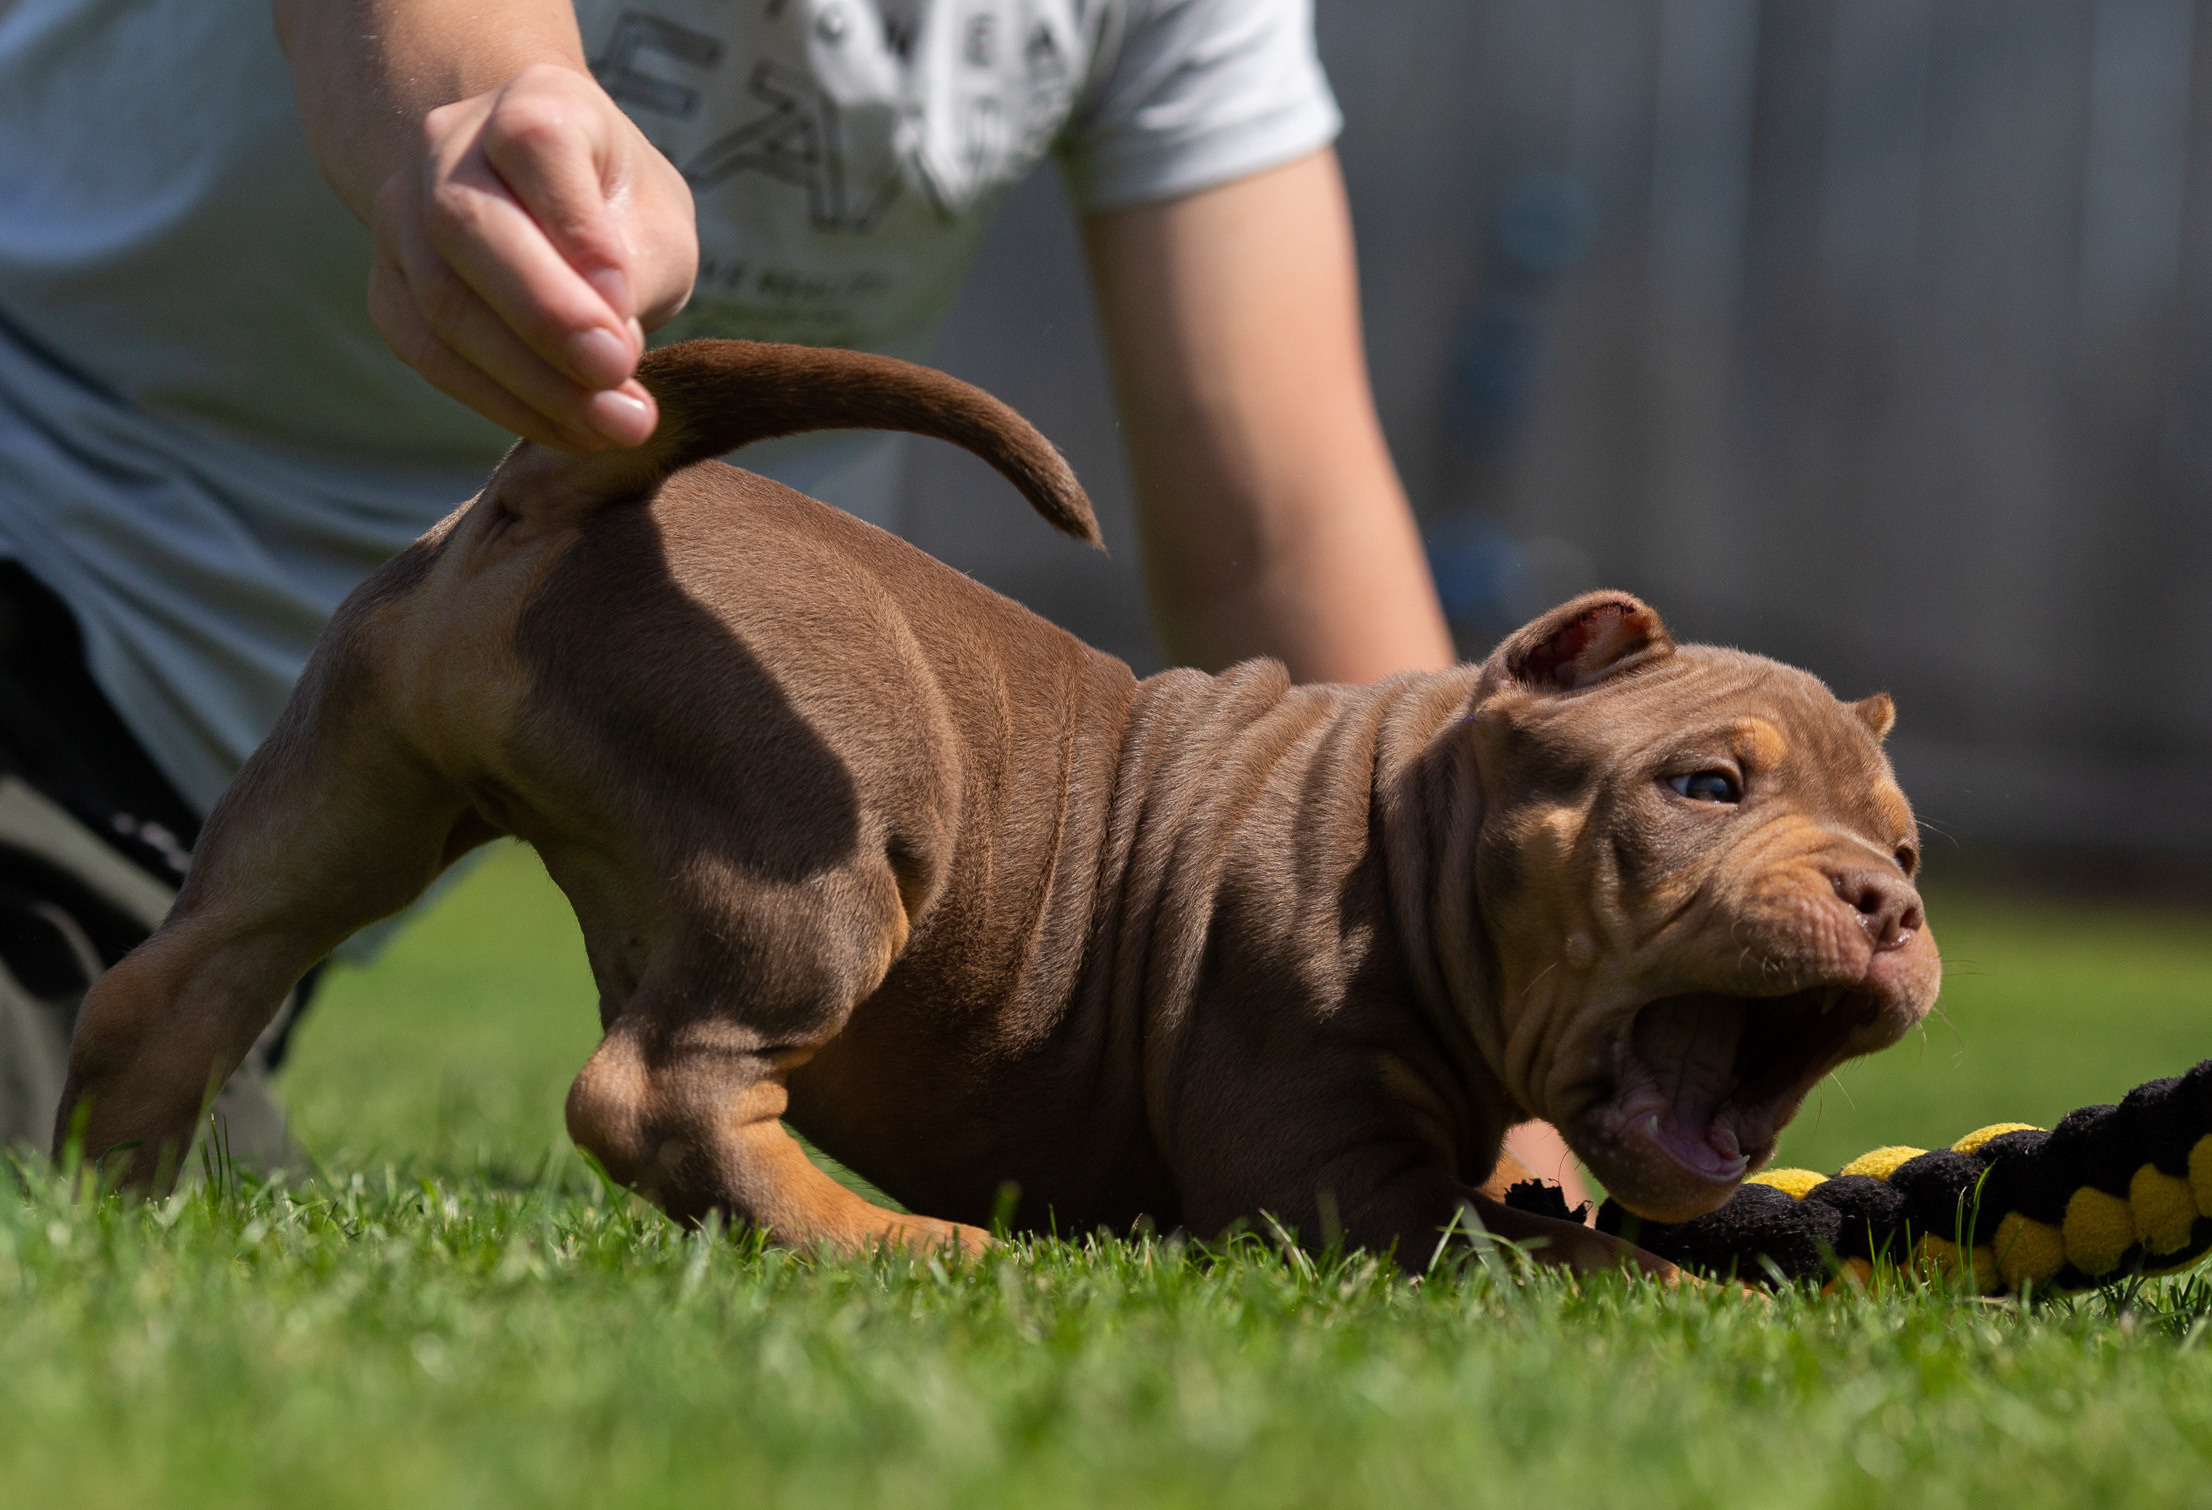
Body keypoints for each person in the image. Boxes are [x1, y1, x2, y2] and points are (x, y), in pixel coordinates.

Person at [0, 0, 1588, 1204]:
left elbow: (1276, 516)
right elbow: (442, 46)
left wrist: (1480, 1101)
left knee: (169, 1111)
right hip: (64, 564)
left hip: (637, 693)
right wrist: (488, 105)